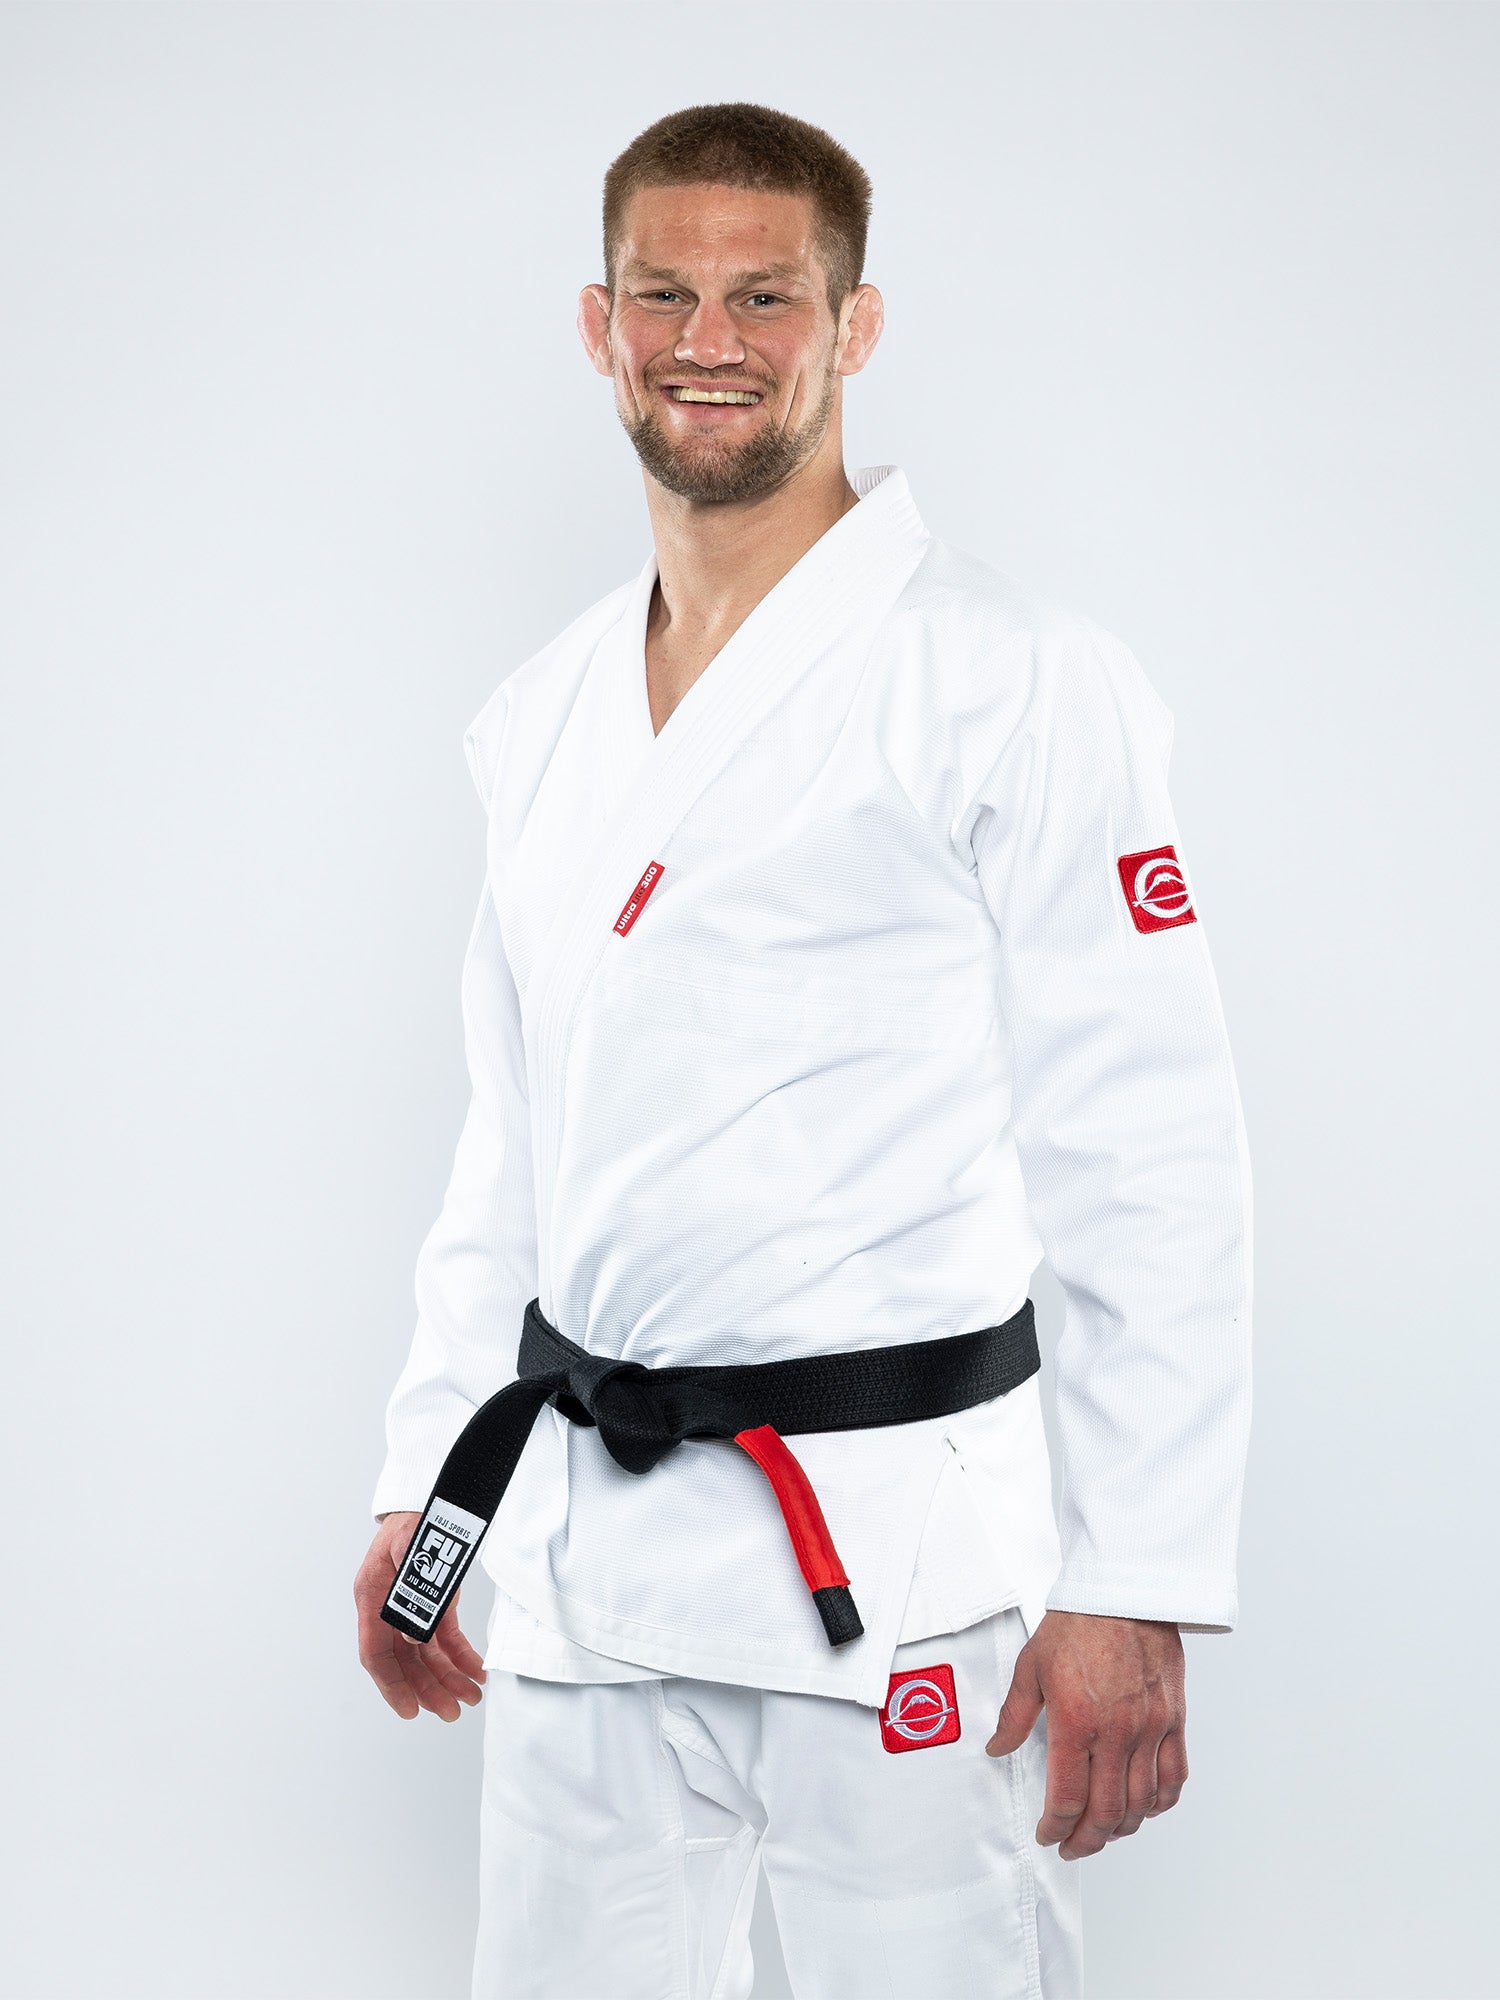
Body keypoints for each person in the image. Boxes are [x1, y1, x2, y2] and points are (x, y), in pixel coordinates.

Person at [353, 100, 1252, 2000]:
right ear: (597, 326)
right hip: (592, 1569)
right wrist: (434, 1492)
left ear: (854, 326)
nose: (714, 337)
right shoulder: (542, 717)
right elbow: (510, 1153)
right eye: (667, 292)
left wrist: (1139, 1575)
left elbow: (1147, 1142)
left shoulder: (1009, 679)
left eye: (769, 295)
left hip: (903, 1561)